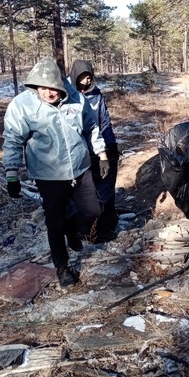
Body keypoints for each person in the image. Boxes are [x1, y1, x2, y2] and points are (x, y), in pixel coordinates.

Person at [2, 56, 109, 288]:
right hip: (48, 175)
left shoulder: (75, 98)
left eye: (54, 88)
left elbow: (91, 127)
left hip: (79, 169)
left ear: (61, 84)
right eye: (43, 88)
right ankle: (62, 267)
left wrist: (102, 154)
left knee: (94, 209)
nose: (49, 93)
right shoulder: (22, 106)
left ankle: (72, 229)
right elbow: (12, 140)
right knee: (54, 221)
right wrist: (12, 173)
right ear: (35, 86)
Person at [68, 60, 119, 243]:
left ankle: (105, 229)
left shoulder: (96, 95)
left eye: (89, 76)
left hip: (99, 148)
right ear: (75, 75)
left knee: (105, 190)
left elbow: (104, 121)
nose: (87, 80)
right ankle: (81, 230)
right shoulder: (67, 95)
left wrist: (109, 145)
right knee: (81, 194)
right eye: (83, 76)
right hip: (78, 152)